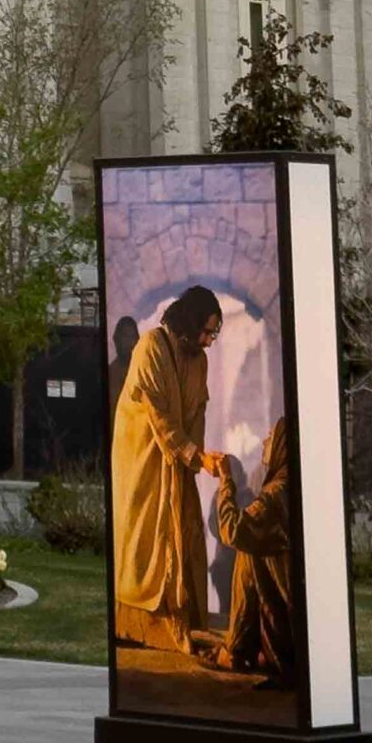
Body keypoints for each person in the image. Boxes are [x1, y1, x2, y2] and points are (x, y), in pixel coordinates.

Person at [110, 285, 226, 655]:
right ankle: (142, 624)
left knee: (185, 529)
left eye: (214, 333)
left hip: (178, 461)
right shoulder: (150, 347)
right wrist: (195, 455)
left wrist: (199, 458)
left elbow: (197, 412)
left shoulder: (199, 360)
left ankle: (184, 621)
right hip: (143, 459)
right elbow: (160, 416)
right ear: (191, 323)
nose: (209, 341)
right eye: (207, 331)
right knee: (149, 534)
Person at [208, 421, 294, 680]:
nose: (265, 442)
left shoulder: (276, 494)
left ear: (281, 445)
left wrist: (225, 481)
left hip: (288, 636)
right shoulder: (291, 486)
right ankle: (243, 645)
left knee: (248, 546)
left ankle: (239, 649)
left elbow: (232, 530)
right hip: (293, 624)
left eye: (271, 437)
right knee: (251, 544)